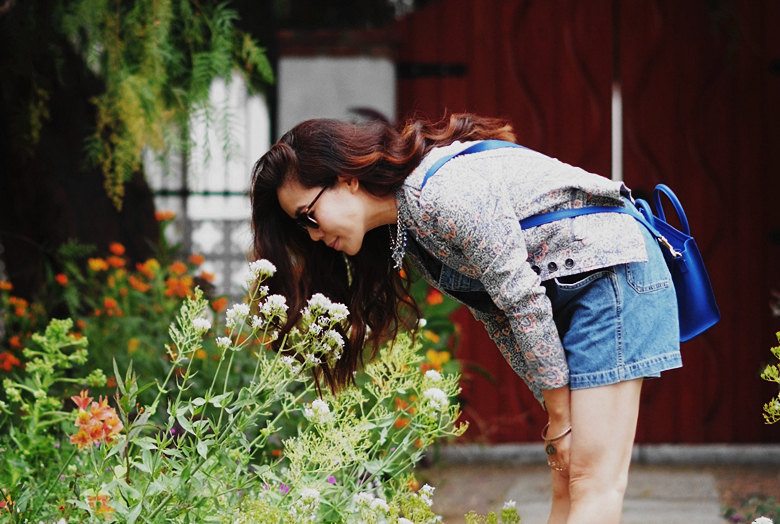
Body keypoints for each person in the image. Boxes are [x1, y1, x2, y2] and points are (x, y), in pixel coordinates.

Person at [250, 113, 682, 524]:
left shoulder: (440, 195)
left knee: (593, 480)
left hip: (611, 274)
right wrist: (556, 410)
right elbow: (498, 317)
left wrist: (561, 415)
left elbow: (521, 300)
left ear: (345, 177)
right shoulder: (411, 230)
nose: (312, 235)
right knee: (568, 478)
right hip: (577, 286)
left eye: (309, 216)